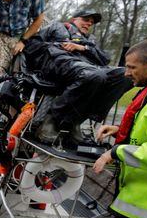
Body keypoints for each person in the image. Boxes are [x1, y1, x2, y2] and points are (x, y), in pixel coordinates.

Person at [24, 10, 134, 144]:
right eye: (86, 19)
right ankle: (52, 119)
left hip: (88, 67)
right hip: (60, 62)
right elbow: (32, 46)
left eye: (91, 22)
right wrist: (58, 46)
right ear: (74, 18)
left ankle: (76, 121)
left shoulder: (90, 40)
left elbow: (105, 59)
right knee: (93, 75)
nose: (89, 23)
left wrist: (82, 48)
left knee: (125, 75)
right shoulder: (57, 27)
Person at [93, 36, 147, 218]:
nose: (126, 73)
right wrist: (119, 131)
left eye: (132, 67)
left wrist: (115, 152)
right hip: (140, 200)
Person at [0, 0, 45, 118]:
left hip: (23, 34)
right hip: (0, 36)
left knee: (21, 74)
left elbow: (39, 19)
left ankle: (14, 111)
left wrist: (23, 40)